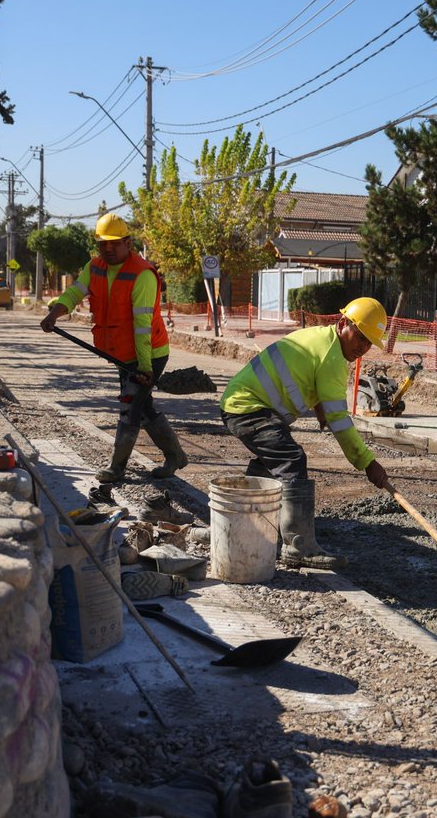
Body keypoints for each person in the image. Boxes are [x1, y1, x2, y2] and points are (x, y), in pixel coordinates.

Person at [220, 297, 391, 570]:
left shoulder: (323, 339)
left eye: (369, 342)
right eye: (360, 337)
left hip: (244, 403)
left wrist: (320, 407)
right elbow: (340, 422)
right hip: (247, 407)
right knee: (291, 458)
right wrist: (367, 462)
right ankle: (299, 546)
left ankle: (241, 523)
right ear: (343, 323)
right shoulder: (332, 357)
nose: (363, 347)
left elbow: (312, 374)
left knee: (272, 462)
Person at [39, 212, 187, 483]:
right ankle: (175, 456)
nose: (108, 248)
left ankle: (116, 467)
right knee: (142, 407)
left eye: (114, 243)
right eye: (103, 243)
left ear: (128, 243)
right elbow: (74, 293)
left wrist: (144, 368)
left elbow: (142, 327)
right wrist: (54, 313)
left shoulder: (142, 274)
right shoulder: (95, 267)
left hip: (149, 352)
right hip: (121, 353)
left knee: (130, 406)